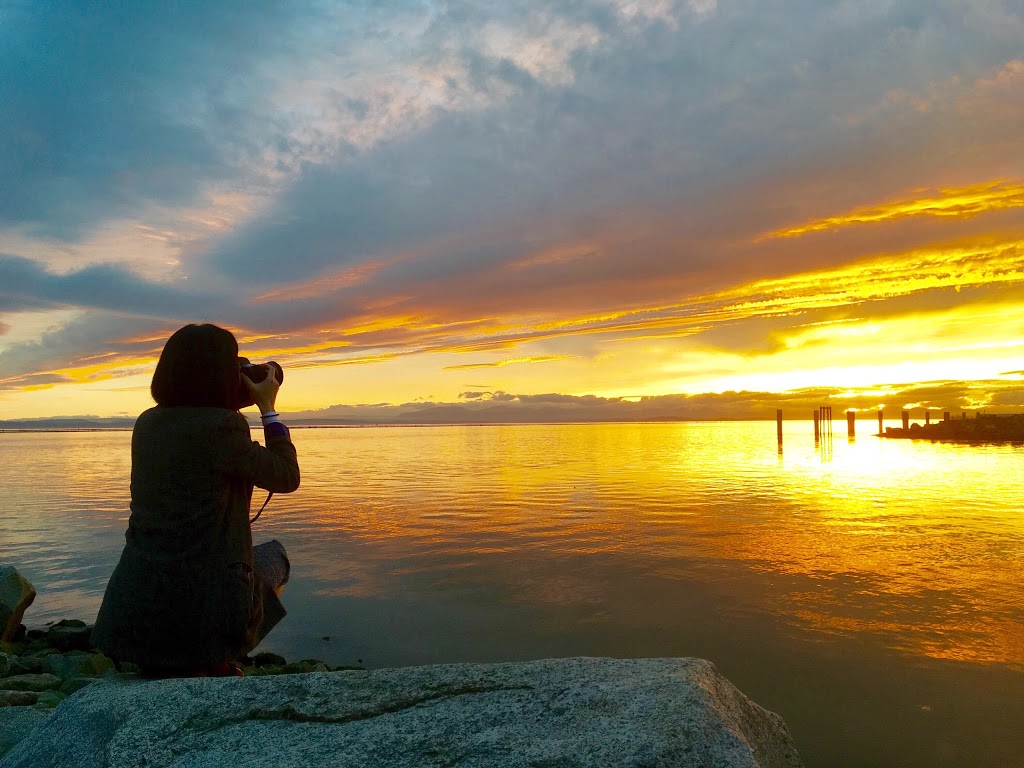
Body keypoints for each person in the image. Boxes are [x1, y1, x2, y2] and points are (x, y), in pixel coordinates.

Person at [92, 323, 300, 677]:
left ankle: (178, 657)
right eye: (235, 367)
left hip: (133, 614)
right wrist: (267, 407)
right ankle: (216, 656)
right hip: (198, 624)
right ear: (220, 377)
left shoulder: (147, 423)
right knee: (274, 556)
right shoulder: (222, 427)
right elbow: (286, 476)